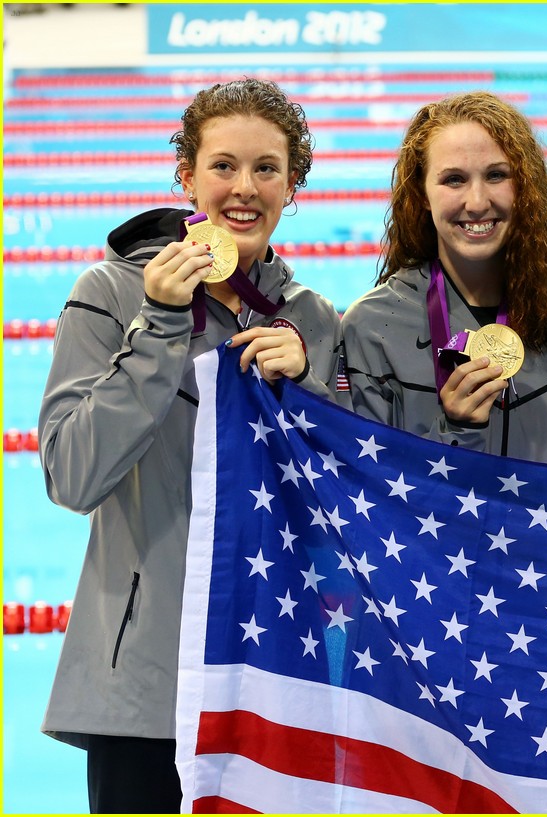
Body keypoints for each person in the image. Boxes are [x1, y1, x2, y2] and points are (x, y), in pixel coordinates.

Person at [38, 78, 345, 812]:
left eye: (266, 168)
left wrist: (315, 393)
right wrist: (161, 322)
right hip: (146, 685)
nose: (244, 188)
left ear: (292, 183)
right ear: (188, 178)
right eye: (223, 166)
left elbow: (341, 503)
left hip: (273, 675)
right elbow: (71, 474)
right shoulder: (110, 293)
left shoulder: (312, 319)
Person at [341, 91, 547, 464]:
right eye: (454, 180)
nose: (478, 202)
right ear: (422, 193)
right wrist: (455, 432)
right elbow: (367, 488)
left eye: (497, 175)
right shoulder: (373, 328)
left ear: (525, 187)